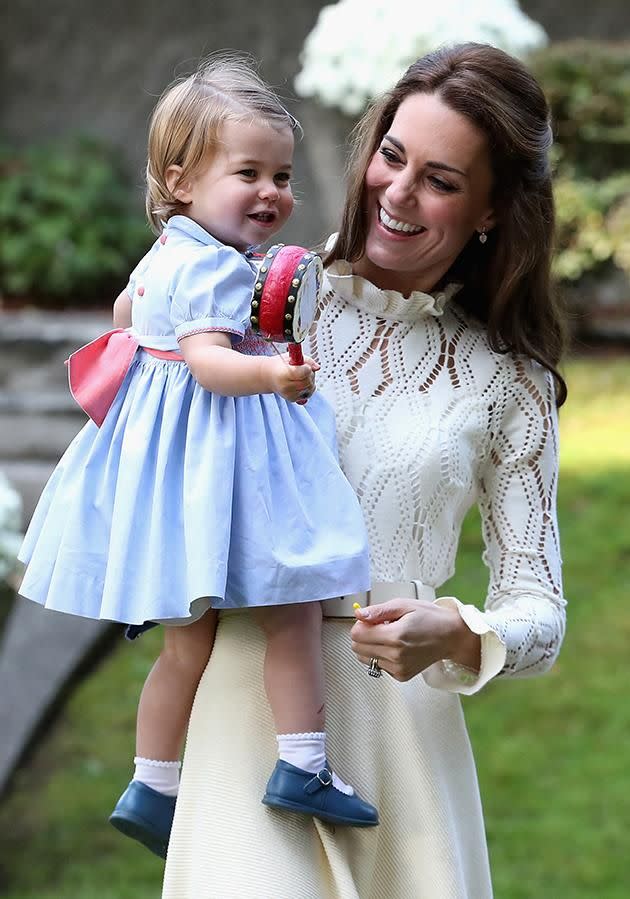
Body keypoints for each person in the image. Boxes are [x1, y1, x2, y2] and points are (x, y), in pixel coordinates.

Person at [162, 42, 568, 898]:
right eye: (392, 155)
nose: (398, 192)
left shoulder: (509, 382)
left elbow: (540, 608)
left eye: (441, 180)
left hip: (401, 745)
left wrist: (458, 631)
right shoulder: (244, 299)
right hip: (244, 716)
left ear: (493, 210)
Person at [17, 54, 380, 861]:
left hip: (175, 477)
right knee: (291, 604)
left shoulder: (165, 255)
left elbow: (122, 318)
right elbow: (213, 364)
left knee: (189, 642)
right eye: (247, 172)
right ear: (179, 180)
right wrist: (273, 372)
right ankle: (303, 764)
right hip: (225, 456)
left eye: (282, 175)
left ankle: (151, 783)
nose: (271, 192)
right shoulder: (217, 267)